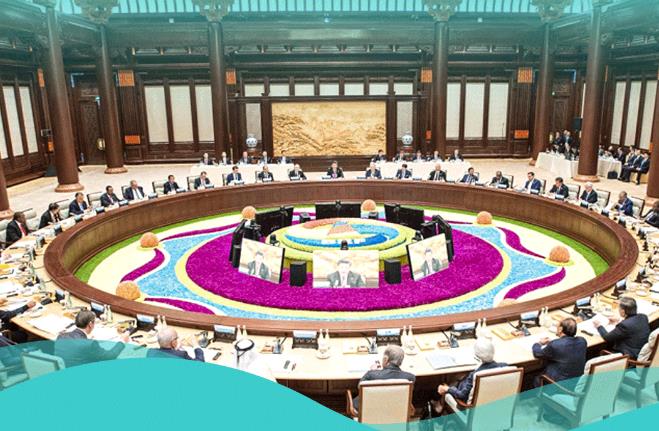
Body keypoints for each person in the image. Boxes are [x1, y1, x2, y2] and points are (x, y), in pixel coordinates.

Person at [435, 338, 507, 410]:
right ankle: (439, 403)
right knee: (459, 377)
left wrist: (447, 389)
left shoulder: (475, 375)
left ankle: (439, 406)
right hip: (498, 407)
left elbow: (461, 395)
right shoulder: (505, 367)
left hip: (470, 409)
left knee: (447, 386)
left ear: (477, 356)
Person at [55, 310, 128, 368]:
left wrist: (86, 339)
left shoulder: (61, 336)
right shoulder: (90, 344)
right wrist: (122, 341)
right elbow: (109, 357)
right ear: (90, 324)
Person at [354, 345, 415, 410]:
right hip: (395, 409)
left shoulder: (371, 374)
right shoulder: (410, 378)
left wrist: (372, 371)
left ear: (386, 359)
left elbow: (359, 387)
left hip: (371, 409)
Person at [532, 318, 586, 388]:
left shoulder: (556, 345)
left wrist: (538, 343)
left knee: (536, 378)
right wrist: (555, 342)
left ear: (560, 329)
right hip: (576, 382)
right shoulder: (582, 341)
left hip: (558, 385)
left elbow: (537, 353)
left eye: (557, 326)